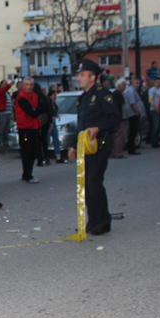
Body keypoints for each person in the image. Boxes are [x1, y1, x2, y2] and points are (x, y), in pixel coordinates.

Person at [67, 59, 121, 236]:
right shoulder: (82, 98)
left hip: (99, 145)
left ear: (93, 77)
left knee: (94, 183)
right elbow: (81, 124)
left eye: (82, 75)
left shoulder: (102, 95)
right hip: (84, 147)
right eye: (78, 75)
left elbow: (114, 119)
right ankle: (94, 220)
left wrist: (98, 129)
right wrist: (74, 146)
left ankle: (102, 222)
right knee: (87, 185)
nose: (79, 78)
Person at [15, 78, 42, 183]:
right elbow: (32, 113)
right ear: (24, 85)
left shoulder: (34, 95)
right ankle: (27, 175)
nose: (29, 86)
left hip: (33, 127)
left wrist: (36, 110)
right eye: (27, 84)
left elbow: (41, 107)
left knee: (32, 152)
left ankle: (27, 173)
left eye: (31, 84)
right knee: (27, 153)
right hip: (25, 128)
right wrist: (36, 110)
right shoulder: (22, 98)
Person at [34, 82, 53, 166]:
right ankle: (46, 157)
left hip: (37, 120)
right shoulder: (45, 98)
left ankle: (40, 159)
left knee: (38, 140)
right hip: (45, 120)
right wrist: (51, 121)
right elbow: (49, 110)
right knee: (44, 140)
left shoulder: (35, 98)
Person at [123, 78, 143, 155]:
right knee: (132, 131)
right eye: (136, 82)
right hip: (132, 114)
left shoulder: (134, 91)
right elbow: (132, 103)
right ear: (132, 83)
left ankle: (132, 147)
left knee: (134, 131)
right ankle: (131, 148)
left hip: (133, 114)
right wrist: (137, 111)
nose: (138, 84)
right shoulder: (131, 91)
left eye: (139, 83)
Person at [111, 80, 130, 159]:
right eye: (123, 85)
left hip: (120, 118)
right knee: (120, 136)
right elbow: (118, 106)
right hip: (120, 118)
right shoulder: (118, 94)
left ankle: (114, 152)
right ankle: (118, 152)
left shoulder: (118, 94)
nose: (125, 87)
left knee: (117, 136)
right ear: (119, 86)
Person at [48, 90, 67, 163]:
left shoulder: (54, 104)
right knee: (47, 140)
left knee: (56, 140)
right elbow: (49, 113)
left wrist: (57, 115)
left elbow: (54, 112)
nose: (55, 96)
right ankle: (44, 156)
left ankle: (58, 156)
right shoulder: (48, 104)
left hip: (54, 123)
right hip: (49, 123)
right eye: (54, 95)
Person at [0, 78, 14, 148]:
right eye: (5, 84)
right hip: (2, 113)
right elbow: (3, 90)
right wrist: (10, 84)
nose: (6, 86)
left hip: (7, 113)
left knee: (6, 129)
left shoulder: (6, 93)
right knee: (1, 129)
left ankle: (5, 142)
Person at [147, 77, 160, 148]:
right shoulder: (152, 90)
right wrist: (157, 108)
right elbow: (150, 100)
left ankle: (156, 141)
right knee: (155, 126)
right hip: (154, 110)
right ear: (154, 82)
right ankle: (153, 142)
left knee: (158, 126)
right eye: (157, 82)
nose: (158, 83)